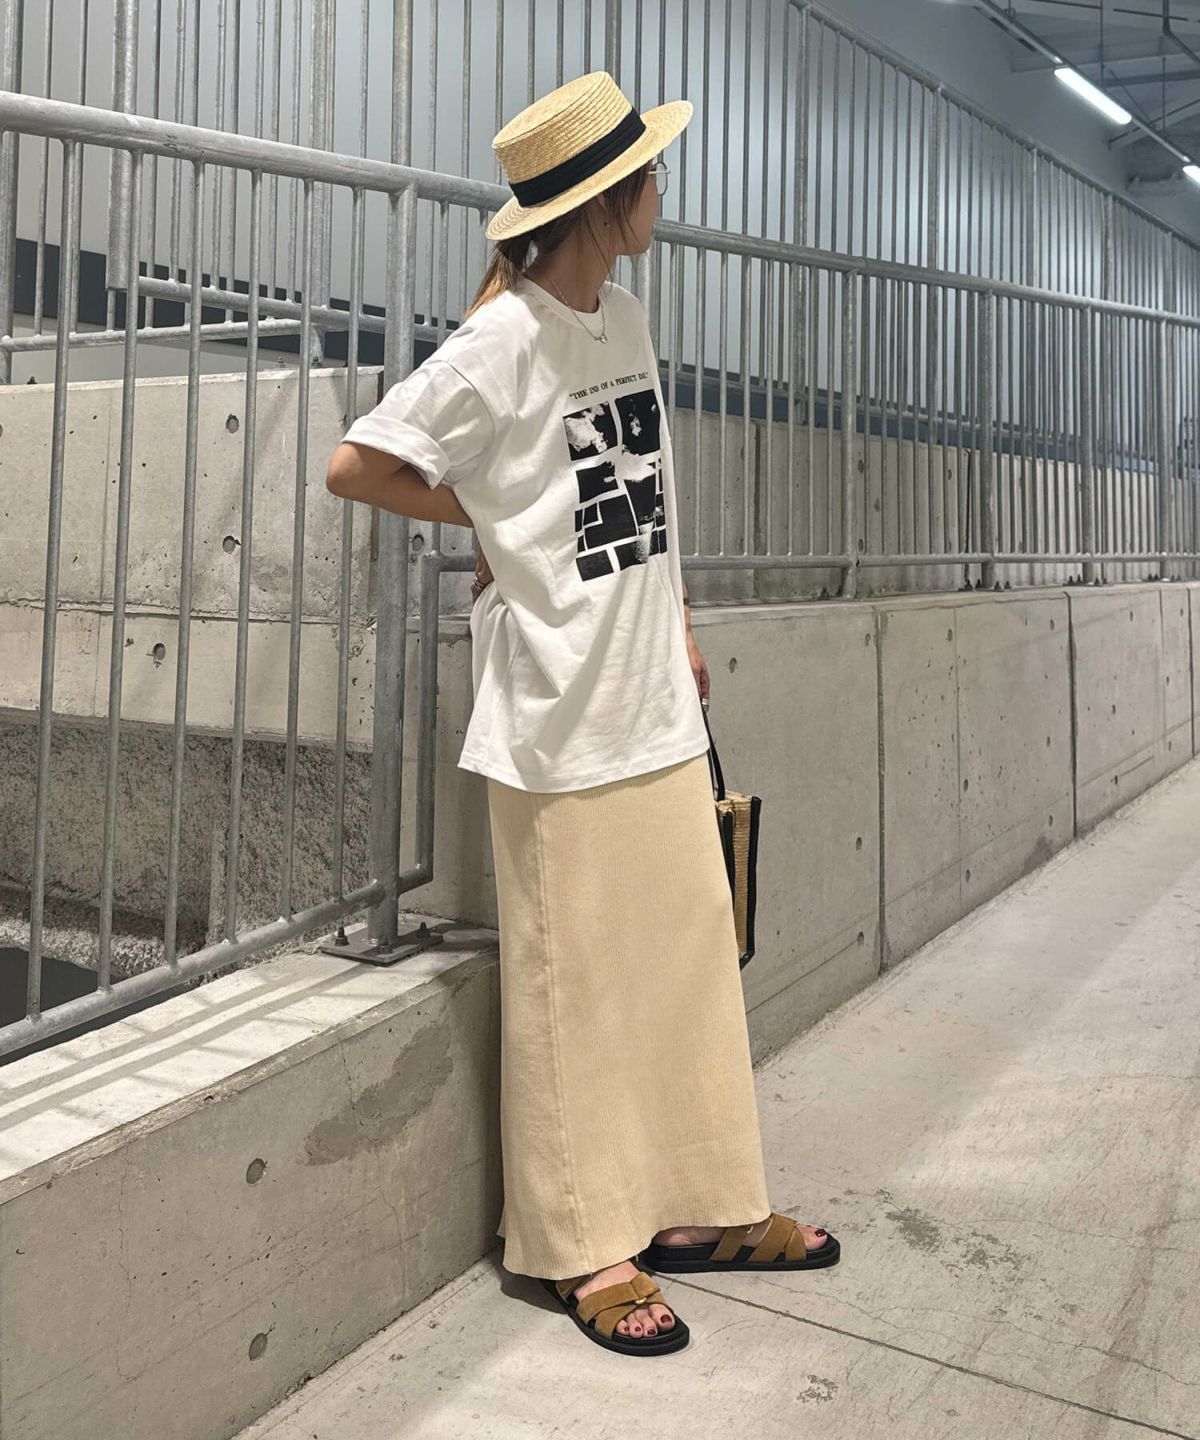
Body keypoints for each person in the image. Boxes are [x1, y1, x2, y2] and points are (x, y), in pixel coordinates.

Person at [326, 70, 839, 1359]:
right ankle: (577, 1246)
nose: (662, 193)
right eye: (650, 176)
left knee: (684, 966)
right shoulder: (499, 344)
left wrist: (679, 624)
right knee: (571, 989)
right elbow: (357, 463)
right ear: (606, 202)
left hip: (649, 690)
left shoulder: (628, 317)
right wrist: (494, 517)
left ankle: (706, 1205)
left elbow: (643, 496)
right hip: (558, 709)